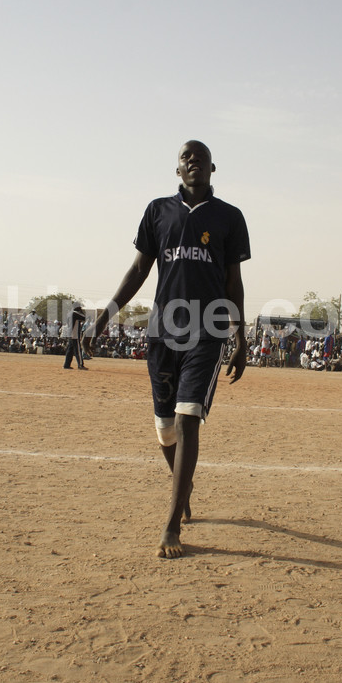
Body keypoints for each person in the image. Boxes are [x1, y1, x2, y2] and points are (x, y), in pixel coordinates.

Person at [83, 140, 250, 559]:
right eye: (185, 157)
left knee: (188, 419)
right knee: (165, 430)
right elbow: (139, 269)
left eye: (200, 157)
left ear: (212, 168)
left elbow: (233, 282)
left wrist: (240, 336)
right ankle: (183, 483)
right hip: (162, 333)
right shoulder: (157, 211)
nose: (193, 161)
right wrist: (105, 315)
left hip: (207, 332)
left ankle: (172, 523)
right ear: (178, 170)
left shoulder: (229, 217)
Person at [63, 303, 88, 370]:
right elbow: (85, 317)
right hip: (75, 334)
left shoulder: (69, 314)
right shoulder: (76, 313)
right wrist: (81, 311)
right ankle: (80, 365)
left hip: (69, 333)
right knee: (78, 350)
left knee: (70, 350)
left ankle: (66, 365)